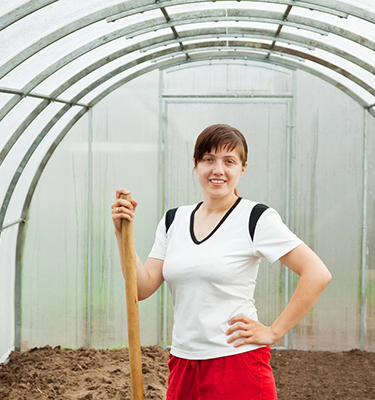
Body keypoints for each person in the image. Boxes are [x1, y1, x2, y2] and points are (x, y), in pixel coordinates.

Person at [111, 124, 331, 400]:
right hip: (183, 363)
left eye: (229, 161)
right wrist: (123, 234)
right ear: (196, 165)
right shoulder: (173, 220)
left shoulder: (255, 218)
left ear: (242, 169)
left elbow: (317, 273)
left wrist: (274, 331)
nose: (218, 170)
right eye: (208, 159)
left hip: (236, 364)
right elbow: (141, 289)